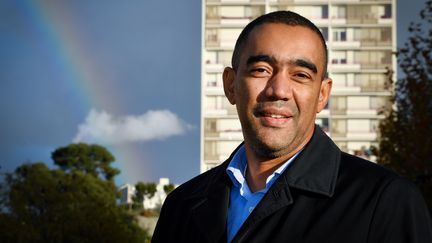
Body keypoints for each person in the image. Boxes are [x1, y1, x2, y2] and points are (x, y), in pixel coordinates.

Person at [152, 11, 432, 243]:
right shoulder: (182, 206)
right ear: (230, 85)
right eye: (261, 69)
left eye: (300, 75)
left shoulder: (385, 202)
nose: (279, 90)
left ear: (322, 94)